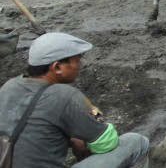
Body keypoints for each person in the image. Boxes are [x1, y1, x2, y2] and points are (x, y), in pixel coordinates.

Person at [0, 32, 150, 166]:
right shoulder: (64, 95)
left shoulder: (9, 86)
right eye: (77, 60)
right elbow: (107, 143)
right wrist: (84, 127)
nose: (80, 65)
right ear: (57, 67)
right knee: (137, 143)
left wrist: (72, 136)